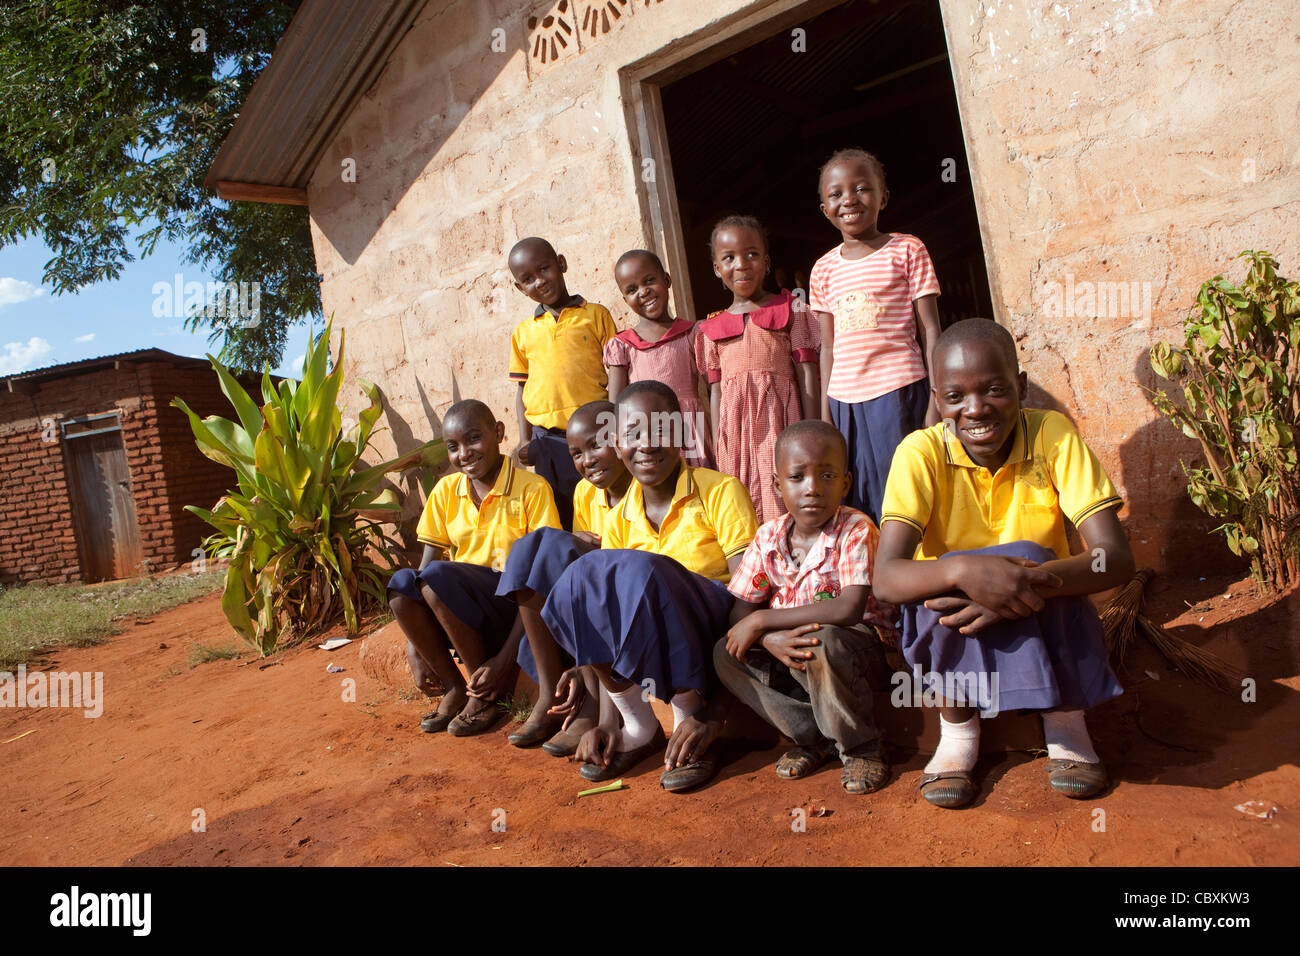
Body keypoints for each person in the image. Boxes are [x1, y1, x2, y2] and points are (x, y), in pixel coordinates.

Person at [871, 319, 1132, 809]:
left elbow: (1113, 560)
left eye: (994, 390)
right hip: (953, 614)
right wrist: (965, 573)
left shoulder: (1053, 436)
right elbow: (886, 579)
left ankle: (1065, 725)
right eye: (955, 396)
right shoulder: (919, 452)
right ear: (937, 399)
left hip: (1041, 602)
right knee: (936, 576)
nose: (975, 409)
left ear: (1022, 387)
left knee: (1039, 557)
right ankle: (958, 733)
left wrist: (1021, 582)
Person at [541, 381, 759, 792]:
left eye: (660, 429)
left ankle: (687, 719)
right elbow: (604, 615)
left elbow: (749, 597)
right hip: (655, 645)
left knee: (648, 573)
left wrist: (713, 713)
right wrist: (609, 720)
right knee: (578, 580)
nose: (646, 444)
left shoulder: (719, 491)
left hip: (715, 641)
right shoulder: (618, 517)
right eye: (631, 434)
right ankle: (639, 725)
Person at [715, 420, 895, 794]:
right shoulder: (768, 537)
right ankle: (813, 737)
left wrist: (765, 620)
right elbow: (739, 615)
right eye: (797, 477)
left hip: (855, 650)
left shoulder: (855, 528)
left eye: (827, 475)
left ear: (845, 484)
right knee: (726, 651)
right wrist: (767, 640)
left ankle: (861, 746)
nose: (812, 488)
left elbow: (848, 609)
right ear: (779, 485)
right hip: (794, 652)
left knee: (825, 642)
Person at [386, 399, 560, 737]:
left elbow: (540, 579)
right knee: (401, 585)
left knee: (437, 579)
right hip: (459, 610)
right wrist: (415, 644)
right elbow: (423, 570)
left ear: (498, 432)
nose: (464, 453)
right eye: (453, 447)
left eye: (473, 439)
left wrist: (504, 660)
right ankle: (455, 688)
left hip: (513, 610)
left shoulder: (531, 489)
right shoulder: (445, 491)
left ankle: (485, 696)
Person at [810, 148, 942, 524]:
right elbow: (827, 348)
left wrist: (936, 397)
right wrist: (825, 417)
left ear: (883, 197)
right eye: (836, 194)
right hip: (844, 403)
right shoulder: (822, 270)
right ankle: (872, 577)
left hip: (898, 390)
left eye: (862, 188)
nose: (849, 199)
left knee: (905, 491)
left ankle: (917, 572)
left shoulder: (907, 249)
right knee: (857, 496)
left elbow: (930, 328)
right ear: (824, 208)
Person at [495, 400, 632, 755]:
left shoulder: (644, 482)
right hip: (591, 595)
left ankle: (590, 704)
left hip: (627, 596)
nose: (588, 460)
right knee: (531, 546)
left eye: (597, 445)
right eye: (576, 453)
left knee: (552, 544)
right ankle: (548, 695)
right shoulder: (586, 492)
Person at [695, 215, 820, 522]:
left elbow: (807, 374)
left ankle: (793, 564)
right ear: (716, 268)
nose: (741, 264)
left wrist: (815, 429)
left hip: (783, 424)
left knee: (786, 497)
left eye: (751, 254)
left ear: (766, 261)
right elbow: (716, 392)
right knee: (742, 507)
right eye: (729, 257)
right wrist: (718, 443)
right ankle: (758, 570)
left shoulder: (792, 311)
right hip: (735, 436)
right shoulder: (710, 328)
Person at [508, 236, 618, 530]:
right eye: (528, 279)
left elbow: (619, 370)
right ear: (520, 288)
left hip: (593, 435)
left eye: (544, 269)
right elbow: (522, 389)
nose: (539, 282)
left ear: (561, 264)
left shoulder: (595, 315)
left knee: (601, 509)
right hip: (547, 441)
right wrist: (525, 439)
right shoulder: (523, 332)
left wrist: (614, 422)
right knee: (558, 516)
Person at [604, 249, 714, 467]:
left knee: (700, 489)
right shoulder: (623, 346)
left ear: (666, 280)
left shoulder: (692, 334)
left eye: (649, 281)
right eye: (632, 289)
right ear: (625, 300)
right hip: (647, 433)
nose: (643, 292)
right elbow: (616, 405)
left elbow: (714, 388)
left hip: (691, 429)